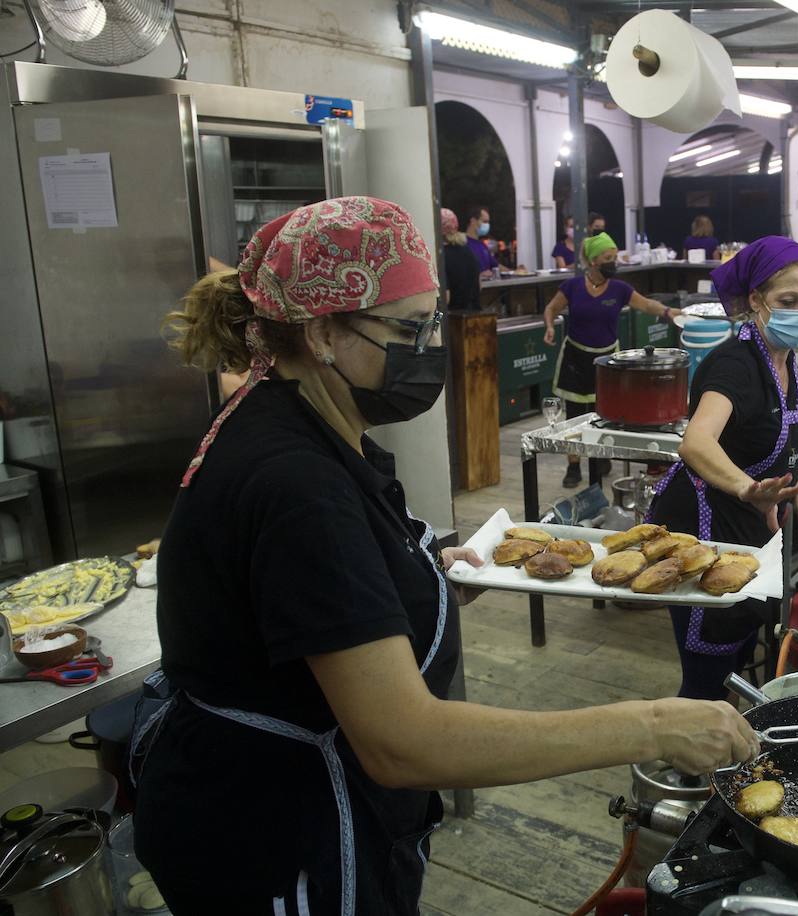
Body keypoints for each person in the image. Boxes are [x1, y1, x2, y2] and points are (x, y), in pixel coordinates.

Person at [138, 198, 756, 914]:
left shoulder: (303, 421)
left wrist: (416, 574)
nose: (429, 346)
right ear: (322, 333)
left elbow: (316, 597)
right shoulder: (293, 482)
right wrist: (649, 725)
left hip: (293, 805)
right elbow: (403, 742)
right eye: (409, 328)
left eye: (432, 320)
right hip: (273, 838)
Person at [646, 237, 798, 700]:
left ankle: (721, 742)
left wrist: (795, 490)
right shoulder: (734, 365)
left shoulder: (787, 365)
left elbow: (773, 441)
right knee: (709, 667)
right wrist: (748, 489)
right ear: (755, 301)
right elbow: (696, 441)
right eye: (788, 301)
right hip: (704, 527)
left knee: (736, 654)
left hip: (748, 526)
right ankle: (689, 761)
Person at [543, 232, 681, 488]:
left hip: (607, 360)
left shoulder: (620, 289)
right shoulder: (572, 287)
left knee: (604, 413)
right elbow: (551, 308)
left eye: (615, 257)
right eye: (608, 258)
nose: (613, 262)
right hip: (575, 356)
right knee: (573, 412)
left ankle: (600, 456)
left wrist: (668, 312)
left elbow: (647, 305)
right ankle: (573, 465)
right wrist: (549, 327)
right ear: (593, 261)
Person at [440, 206, 481, 311]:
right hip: (474, 315)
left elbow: (446, 297)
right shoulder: (469, 251)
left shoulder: (441, 257)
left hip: (454, 320)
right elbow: (479, 285)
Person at [461, 204, 497, 278]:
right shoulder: (462, 243)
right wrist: (479, 275)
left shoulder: (482, 245)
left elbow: (495, 266)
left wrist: (514, 272)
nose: (487, 225)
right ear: (473, 221)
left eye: (488, 222)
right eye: (484, 221)